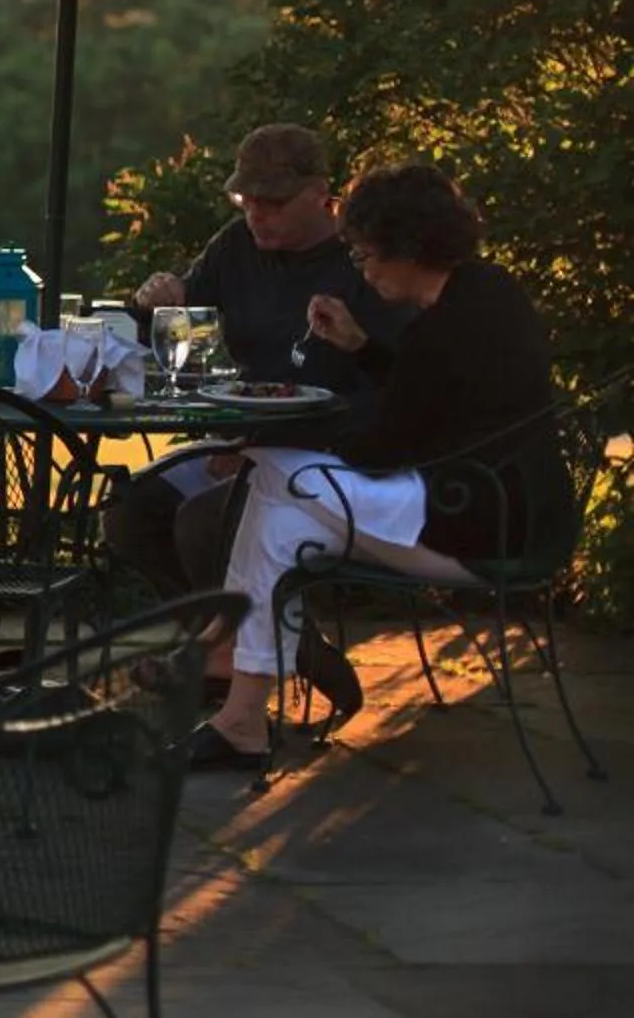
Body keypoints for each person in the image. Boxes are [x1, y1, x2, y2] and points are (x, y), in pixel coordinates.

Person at [193, 163, 562, 767]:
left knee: (269, 463)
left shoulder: (449, 324)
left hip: (478, 522)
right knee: (280, 527)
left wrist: (312, 426)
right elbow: (436, 399)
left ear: (407, 247)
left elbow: (388, 446)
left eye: (365, 255)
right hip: (494, 501)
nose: (361, 268)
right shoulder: (483, 294)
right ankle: (241, 718)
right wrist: (362, 348)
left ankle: (224, 654)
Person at [105, 124, 410, 610]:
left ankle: (247, 646)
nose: (256, 216)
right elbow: (178, 320)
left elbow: (393, 390)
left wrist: (271, 444)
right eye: (246, 202)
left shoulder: (364, 263)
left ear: (318, 194)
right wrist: (153, 304)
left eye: (272, 204)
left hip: (331, 453)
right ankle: (217, 647)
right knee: (129, 511)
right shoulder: (237, 247)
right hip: (242, 441)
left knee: (204, 521)